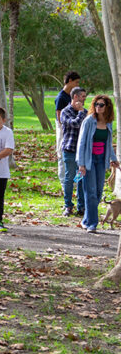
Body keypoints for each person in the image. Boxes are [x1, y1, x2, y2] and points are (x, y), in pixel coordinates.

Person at [77, 95, 120, 233]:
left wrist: (113, 158)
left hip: (102, 160)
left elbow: (108, 143)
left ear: (107, 107)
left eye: (101, 105)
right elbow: (81, 143)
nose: (98, 107)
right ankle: (92, 224)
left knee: (98, 192)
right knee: (91, 192)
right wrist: (81, 164)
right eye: (96, 104)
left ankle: (86, 220)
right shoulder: (89, 121)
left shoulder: (108, 122)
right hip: (89, 160)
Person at [60, 87, 87, 217]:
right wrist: (81, 112)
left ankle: (81, 206)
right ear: (75, 97)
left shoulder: (86, 112)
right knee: (69, 178)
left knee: (80, 178)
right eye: (83, 96)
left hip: (81, 152)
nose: (84, 99)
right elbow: (74, 124)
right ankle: (68, 205)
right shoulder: (65, 112)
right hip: (70, 150)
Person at [56, 71, 81, 187]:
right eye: (76, 82)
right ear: (70, 81)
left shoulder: (71, 96)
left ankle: (75, 182)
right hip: (64, 129)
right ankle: (64, 182)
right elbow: (60, 117)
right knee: (62, 154)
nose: (77, 85)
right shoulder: (61, 97)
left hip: (73, 128)